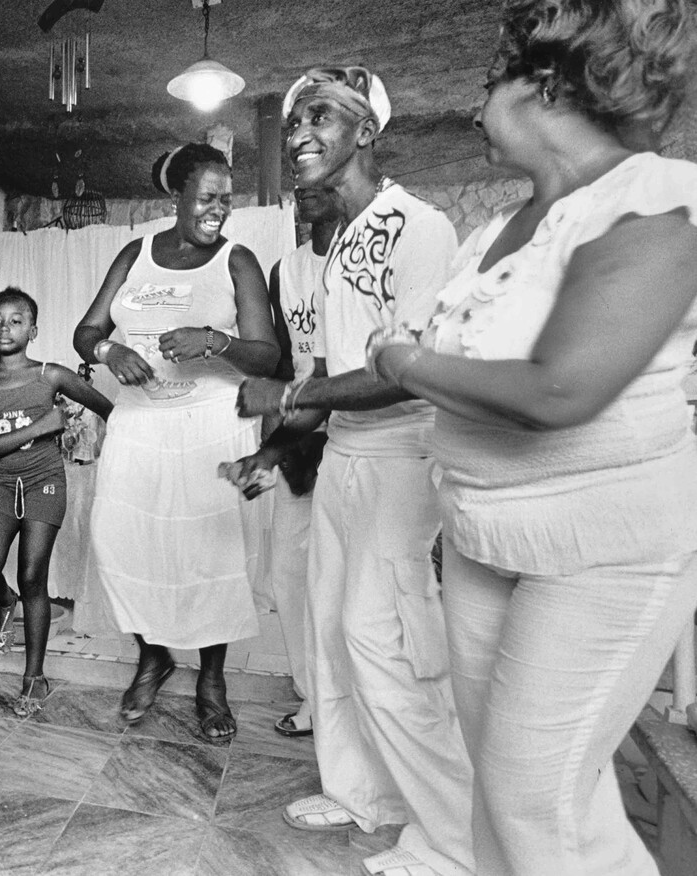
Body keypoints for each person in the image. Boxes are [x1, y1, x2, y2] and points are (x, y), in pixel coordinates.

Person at [363, 1, 697, 872]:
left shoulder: (654, 203)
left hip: (601, 550)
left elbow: (557, 390)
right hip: (483, 532)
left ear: (543, 85)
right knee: (508, 789)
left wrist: (401, 363)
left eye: (488, 84)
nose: (477, 108)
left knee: (532, 795)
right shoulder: (492, 234)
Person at [233, 68, 473, 876]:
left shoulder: (417, 226)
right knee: (333, 633)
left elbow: (410, 370)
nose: (297, 133)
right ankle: (361, 792)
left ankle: (449, 837)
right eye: (293, 120)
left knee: (390, 643)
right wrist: (272, 441)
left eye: (320, 119)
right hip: (341, 456)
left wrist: (288, 391)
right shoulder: (336, 242)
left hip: (400, 460)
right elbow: (337, 377)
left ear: (366, 132)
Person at [73, 143, 279, 743]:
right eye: (207, 198)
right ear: (176, 200)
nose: (219, 209)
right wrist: (115, 352)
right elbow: (87, 331)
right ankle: (153, 655)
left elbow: (266, 354)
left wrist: (214, 340)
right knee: (127, 542)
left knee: (206, 552)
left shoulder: (237, 260)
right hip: (140, 421)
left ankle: (210, 681)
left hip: (210, 421)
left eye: (227, 199)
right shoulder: (136, 254)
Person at [0, 287, 112, 716]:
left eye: (15, 320)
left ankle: (35, 677)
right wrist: (41, 426)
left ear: (33, 329)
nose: (5, 328)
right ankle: (4, 603)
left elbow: (108, 409)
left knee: (33, 575)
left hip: (45, 481)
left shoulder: (52, 375)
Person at [264, 185, 339, 738]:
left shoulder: (362, 254)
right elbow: (287, 362)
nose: (303, 193)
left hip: (362, 425)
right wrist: (273, 444)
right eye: (298, 185)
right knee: (289, 572)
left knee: (345, 575)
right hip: (301, 430)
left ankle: (349, 700)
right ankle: (312, 695)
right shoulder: (284, 270)